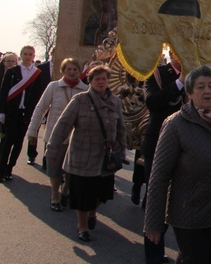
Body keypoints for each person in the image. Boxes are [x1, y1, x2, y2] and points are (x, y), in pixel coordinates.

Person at [144, 65, 211, 263]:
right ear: (190, 92)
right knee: (194, 258)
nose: (207, 91)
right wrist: (153, 223)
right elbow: (159, 177)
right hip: (189, 214)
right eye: (200, 87)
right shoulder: (176, 124)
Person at [46, 63, 126, 242]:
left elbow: (121, 128)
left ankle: (92, 212)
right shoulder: (80, 100)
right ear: (90, 81)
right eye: (97, 79)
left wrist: (121, 150)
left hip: (106, 158)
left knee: (103, 193)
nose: (101, 82)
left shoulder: (115, 101)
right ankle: (82, 226)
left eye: (104, 79)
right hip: (83, 156)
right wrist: (52, 148)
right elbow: (63, 125)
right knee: (82, 195)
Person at [141, 49, 185, 264]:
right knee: (157, 199)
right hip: (158, 143)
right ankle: (154, 255)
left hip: (186, 148)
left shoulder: (200, 75)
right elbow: (153, 102)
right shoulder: (157, 73)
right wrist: (180, 83)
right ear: (171, 52)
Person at [27, 58, 88, 211]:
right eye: (69, 69)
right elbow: (41, 108)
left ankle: (66, 189)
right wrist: (32, 131)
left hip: (75, 138)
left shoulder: (85, 89)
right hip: (55, 135)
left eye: (75, 69)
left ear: (79, 71)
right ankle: (55, 194)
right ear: (63, 71)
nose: (72, 72)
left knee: (71, 170)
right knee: (54, 169)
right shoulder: (54, 87)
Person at [0, 46, 47, 181]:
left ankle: (10, 168)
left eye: (30, 54)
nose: (28, 56)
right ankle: (1, 169)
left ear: (33, 56)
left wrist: (37, 113)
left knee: (19, 140)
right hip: (11, 111)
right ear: (21, 55)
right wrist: (2, 111)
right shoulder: (12, 71)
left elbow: (38, 94)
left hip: (26, 112)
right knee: (8, 139)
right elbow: (4, 92)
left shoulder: (37, 73)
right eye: (25, 54)